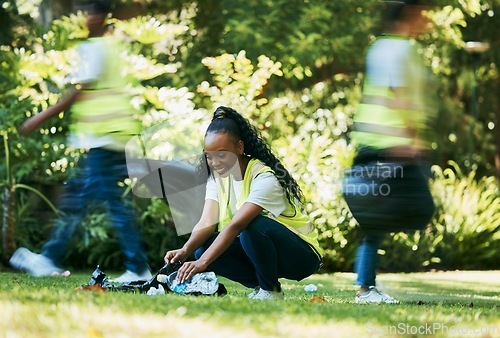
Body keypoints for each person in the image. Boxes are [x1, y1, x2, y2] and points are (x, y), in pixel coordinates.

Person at [9, 0, 151, 283]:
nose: (86, 18)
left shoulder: (96, 49)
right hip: (108, 136)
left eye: (90, 13)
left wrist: (41, 117)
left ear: (99, 16)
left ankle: (136, 267)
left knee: (102, 202)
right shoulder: (107, 48)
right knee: (79, 198)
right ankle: (50, 258)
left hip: (105, 137)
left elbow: (79, 92)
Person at [164, 106, 324, 300]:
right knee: (202, 248)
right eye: (209, 156)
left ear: (239, 148)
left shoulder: (264, 177)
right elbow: (206, 223)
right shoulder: (217, 179)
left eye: (221, 154)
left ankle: (270, 290)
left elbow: (236, 225)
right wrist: (185, 250)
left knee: (252, 226)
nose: (214, 162)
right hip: (260, 248)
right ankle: (262, 286)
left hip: (302, 255)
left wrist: (203, 263)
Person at [345, 0, 436, 304]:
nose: (427, 19)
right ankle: (366, 286)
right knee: (422, 209)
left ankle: (365, 287)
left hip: (373, 142)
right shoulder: (401, 49)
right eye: (423, 13)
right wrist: (409, 135)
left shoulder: (379, 47)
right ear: (409, 15)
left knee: (377, 223)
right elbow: (397, 94)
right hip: (393, 146)